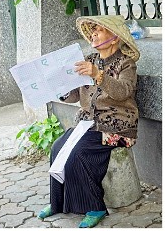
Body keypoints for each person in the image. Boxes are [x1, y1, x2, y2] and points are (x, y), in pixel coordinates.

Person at [37, 15, 140, 228]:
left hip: (118, 126)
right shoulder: (89, 60)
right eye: (92, 30)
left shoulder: (126, 64)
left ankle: (95, 206)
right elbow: (75, 94)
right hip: (88, 124)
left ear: (114, 38)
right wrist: (59, 89)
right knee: (57, 148)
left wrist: (99, 76)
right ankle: (57, 203)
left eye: (99, 30)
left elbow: (123, 92)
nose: (93, 33)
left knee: (79, 153)